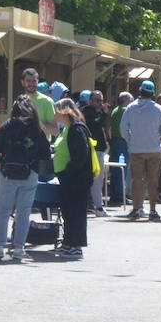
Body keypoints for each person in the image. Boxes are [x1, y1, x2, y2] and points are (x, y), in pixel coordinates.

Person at [0, 95, 52, 262]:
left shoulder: (7, 126)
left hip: (8, 173)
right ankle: (19, 248)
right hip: (30, 173)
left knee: (2, 211)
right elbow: (45, 153)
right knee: (24, 212)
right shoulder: (36, 129)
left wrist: (1, 163)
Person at [122, 80, 161, 221]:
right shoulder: (159, 109)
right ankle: (153, 210)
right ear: (153, 93)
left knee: (137, 180)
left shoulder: (130, 108)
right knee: (153, 180)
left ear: (140, 91)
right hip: (154, 149)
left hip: (136, 149)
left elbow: (123, 129)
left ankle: (136, 209)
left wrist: (131, 140)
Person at [51, 99, 92, 258]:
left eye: (57, 111)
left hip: (76, 179)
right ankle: (68, 242)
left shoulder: (76, 129)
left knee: (76, 212)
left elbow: (81, 155)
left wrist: (68, 171)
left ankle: (76, 245)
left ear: (65, 111)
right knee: (68, 212)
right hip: (68, 179)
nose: (55, 115)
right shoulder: (67, 128)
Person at [80, 91, 111, 216]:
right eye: (97, 100)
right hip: (93, 149)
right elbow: (95, 123)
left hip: (97, 149)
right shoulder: (87, 112)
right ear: (90, 100)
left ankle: (94, 205)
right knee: (97, 179)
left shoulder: (95, 112)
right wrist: (104, 113)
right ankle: (98, 207)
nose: (100, 103)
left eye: (101, 101)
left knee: (98, 179)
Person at [108, 91, 132, 204]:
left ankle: (114, 193)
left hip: (114, 141)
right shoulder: (125, 111)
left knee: (114, 169)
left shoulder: (115, 110)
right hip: (122, 141)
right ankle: (119, 195)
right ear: (126, 101)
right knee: (122, 169)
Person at [21, 68, 57, 136]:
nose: (31, 84)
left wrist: (36, 122)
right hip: (22, 145)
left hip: (41, 145)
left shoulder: (47, 101)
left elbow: (55, 131)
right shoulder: (19, 101)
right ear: (23, 82)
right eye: (28, 81)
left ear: (38, 82)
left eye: (34, 81)